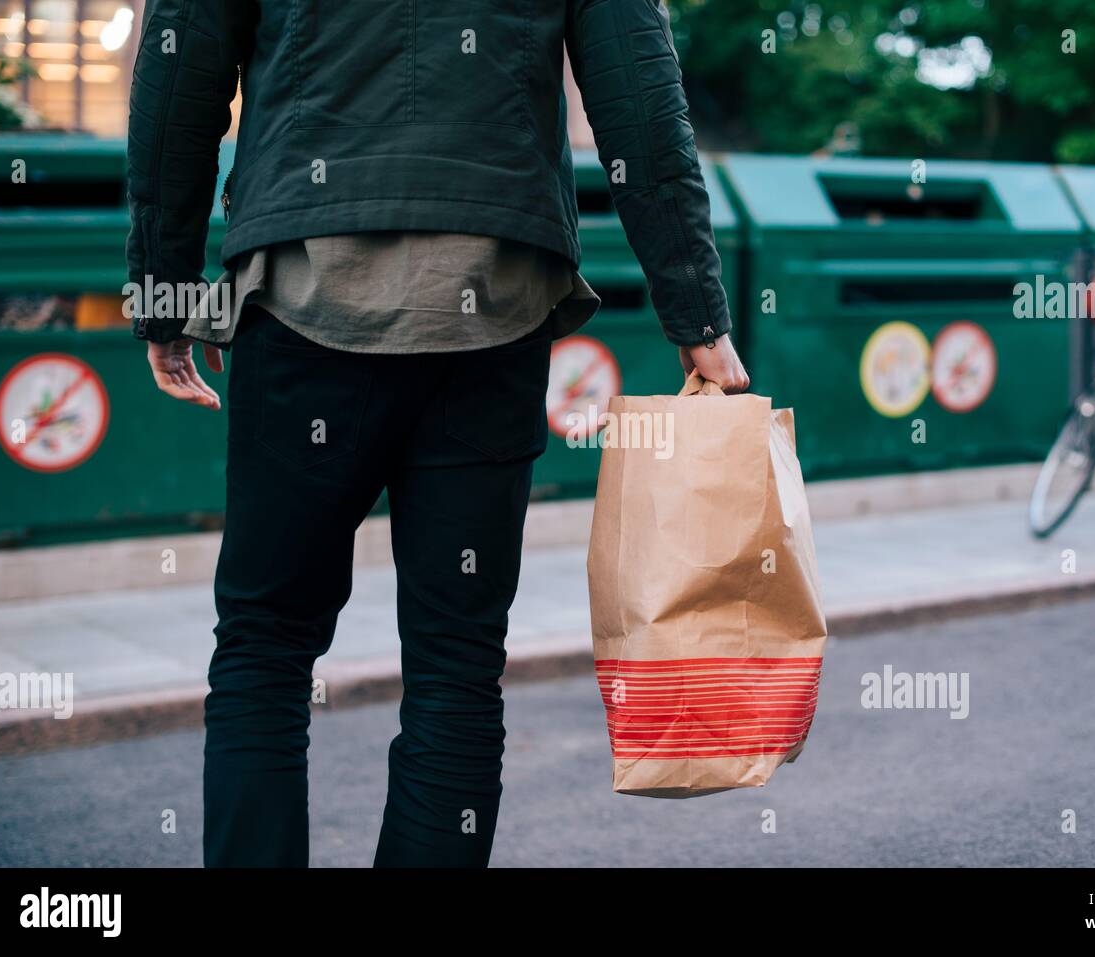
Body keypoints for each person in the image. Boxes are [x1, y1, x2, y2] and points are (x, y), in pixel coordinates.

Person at [126, 0, 748, 868]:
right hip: (491, 311)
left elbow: (179, 75)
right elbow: (639, 99)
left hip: (304, 295)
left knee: (266, 648)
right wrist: (698, 317)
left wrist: (162, 291)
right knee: (456, 666)